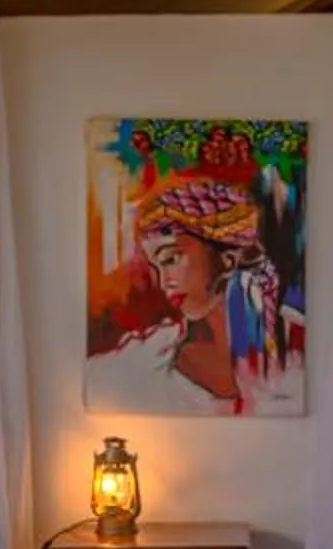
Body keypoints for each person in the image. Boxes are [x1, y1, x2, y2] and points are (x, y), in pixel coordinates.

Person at [85, 171, 303, 415]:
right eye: (156, 266)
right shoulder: (148, 357)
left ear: (228, 260)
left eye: (171, 258)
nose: (163, 281)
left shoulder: (297, 346)